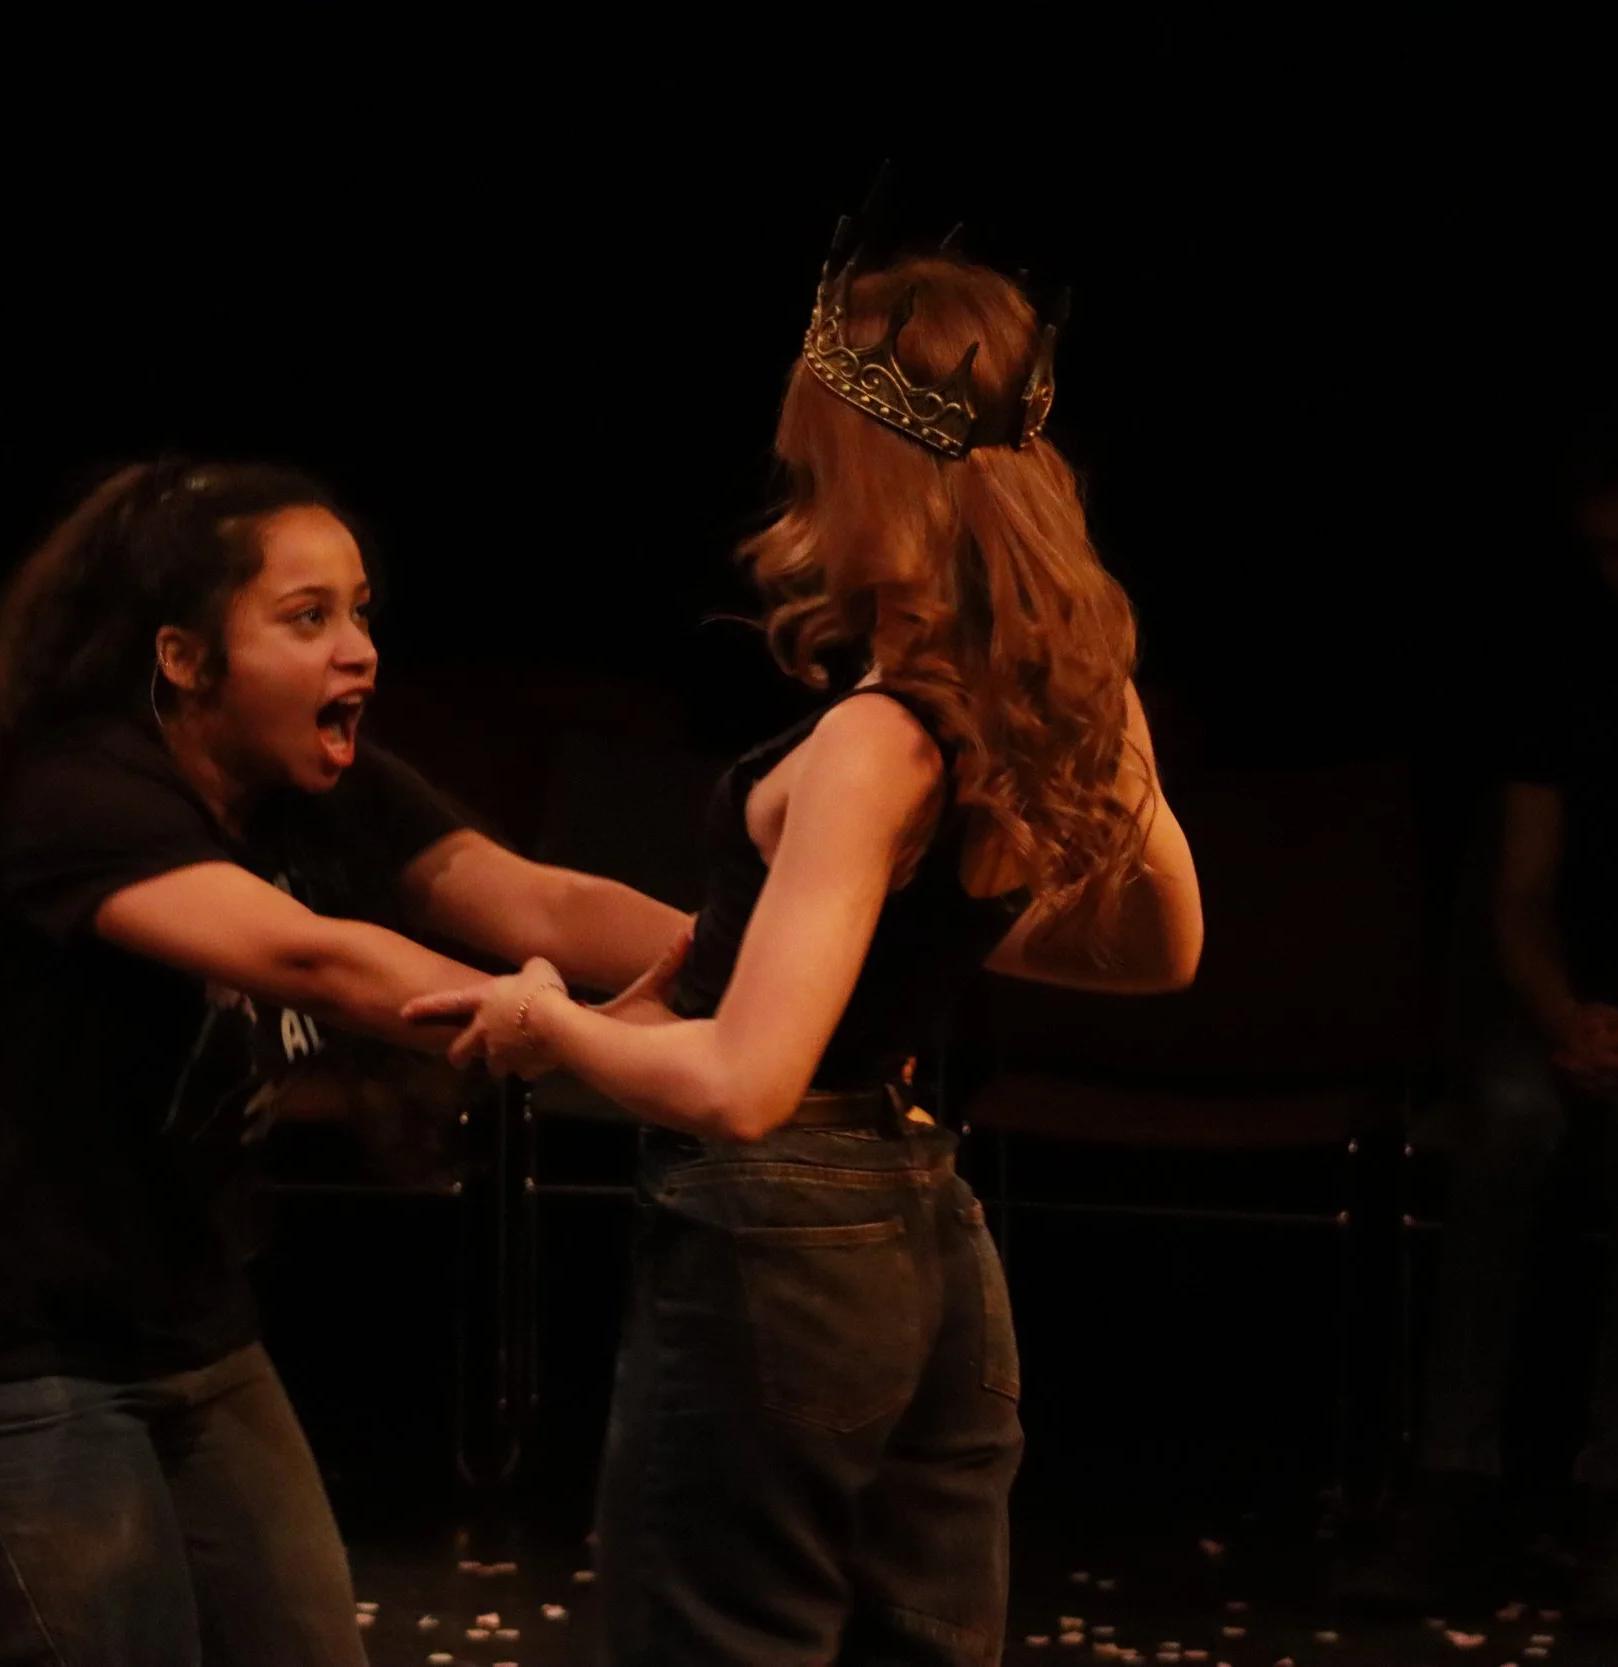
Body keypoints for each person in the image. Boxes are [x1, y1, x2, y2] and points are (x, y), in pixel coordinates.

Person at [408, 242, 1204, 1666]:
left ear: (871, 471)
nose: (797, 495)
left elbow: (743, 1084)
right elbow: (1161, 944)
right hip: (923, 1222)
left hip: (790, 1233)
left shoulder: (873, 740)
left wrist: (548, 1026)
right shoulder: (1057, 687)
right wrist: (885, 950)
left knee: (721, 1635)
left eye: (813, 462)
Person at [0, 460, 688, 1667]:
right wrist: (577, 1031)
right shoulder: (74, 789)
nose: (358, 649)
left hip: (182, 1328)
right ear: (184, 657)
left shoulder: (313, 783)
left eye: (360, 611)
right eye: (307, 617)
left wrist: (768, 968)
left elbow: (539, 900)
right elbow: (311, 956)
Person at [1345, 407, 1618, 1622]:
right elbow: (1521, 891)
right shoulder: (1574, 681)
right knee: (1503, 1117)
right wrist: (1566, 1014)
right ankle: (1452, 1477)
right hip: (1567, 1006)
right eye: (1611, 547)